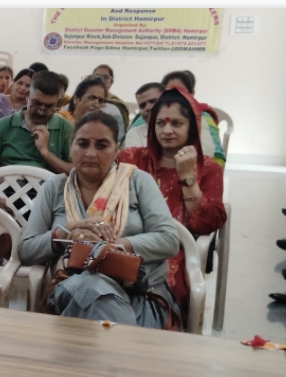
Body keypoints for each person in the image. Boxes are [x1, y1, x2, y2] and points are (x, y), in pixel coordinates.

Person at [19, 112, 181, 330]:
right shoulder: (54, 188)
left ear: (117, 149)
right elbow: (27, 249)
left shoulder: (137, 182)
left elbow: (169, 239)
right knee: (89, 288)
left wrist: (109, 248)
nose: (90, 153)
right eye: (82, 144)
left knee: (94, 310)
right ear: (71, 146)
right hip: (73, 287)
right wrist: (65, 233)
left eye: (102, 145)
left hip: (140, 293)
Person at [117, 87, 227, 316]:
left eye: (176, 123)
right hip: (125, 241)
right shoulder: (131, 159)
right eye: (160, 123)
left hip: (173, 249)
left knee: (166, 279)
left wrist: (187, 177)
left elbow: (205, 224)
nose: (167, 130)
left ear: (192, 127)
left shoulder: (208, 168)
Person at [0, 71, 75, 174]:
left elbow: (75, 172)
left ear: (58, 102)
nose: (41, 111)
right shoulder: (3, 125)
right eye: (37, 103)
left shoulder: (66, 129)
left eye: (49, 106)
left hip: (49, 184)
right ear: (28, 95)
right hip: (6, 183)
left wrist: (46, 152)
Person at [124, 81, 218, 164]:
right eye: (142, 105)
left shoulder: (196, 123)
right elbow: (133, 164)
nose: (147, 108)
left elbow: (205, 154)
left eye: (153, 101)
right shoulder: (134, 133)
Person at [158, 71, 225, 168]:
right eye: (170, 92)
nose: (175, 97)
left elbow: (217, 157)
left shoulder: (203, 118)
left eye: (181, 92)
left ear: (191, 94)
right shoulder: (147, 117)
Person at [93, 64, 131, 131]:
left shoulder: (118, 105)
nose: (100, 80)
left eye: (105, 77)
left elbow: (123, 132)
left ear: (111, 82)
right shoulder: (85, 100)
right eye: (97, 77)